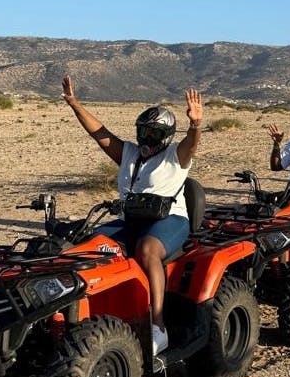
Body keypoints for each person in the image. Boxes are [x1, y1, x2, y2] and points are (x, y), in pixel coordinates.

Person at [61, 75, 203, 356]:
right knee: (87, 246)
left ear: (165, 137)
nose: (145, 139)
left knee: (147, 250)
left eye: (152, 134)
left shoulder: (176, 155)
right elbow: (99, 132)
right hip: (133, 220)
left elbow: (192, 143)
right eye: (142, 132)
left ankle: (158, 324)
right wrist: (74, 103)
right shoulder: (128, 152)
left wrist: (196, 124)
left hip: (169, 221)